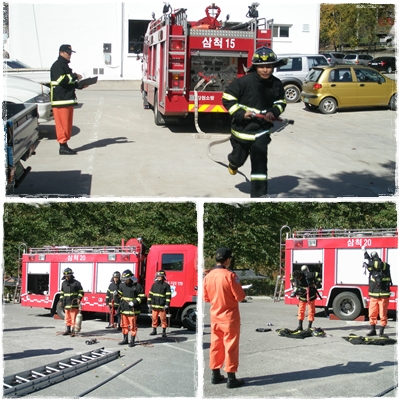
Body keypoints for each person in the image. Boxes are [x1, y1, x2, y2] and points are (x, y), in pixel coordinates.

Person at [221, 47, 288, 198]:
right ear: (255, 67)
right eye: (261, 66)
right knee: (238, 158)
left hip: (261, 132)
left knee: (260, 165)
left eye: (268, 66)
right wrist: (240, 114)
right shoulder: (243, 82)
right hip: (242, 132)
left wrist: (273, 112)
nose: (265, 70)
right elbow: (227, 98)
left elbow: (281, 102)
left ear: (273, 67)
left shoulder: (276, 84)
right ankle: (233, 163)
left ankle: (259, 196)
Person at [203, 247, 246, 389]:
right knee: (230, 346)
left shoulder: (208, 276)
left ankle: (215, 374)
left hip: (215, 316)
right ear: (227, 260)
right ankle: (231, 377)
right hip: (229, 317)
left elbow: (206, 297)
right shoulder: (230, 276)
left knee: (216, 345)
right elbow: (240, 296)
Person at [50, 44, 86, 155]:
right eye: (68, 53)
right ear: (61, 53)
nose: (70, 55)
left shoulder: (64, 65)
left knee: (67, 125)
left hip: (66, 99)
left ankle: (64, 145)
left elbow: (68, 82)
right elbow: (61, 80)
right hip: (60, 100)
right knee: (62, 125)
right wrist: (75, 76)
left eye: (70, 53)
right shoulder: (58, 65)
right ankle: (62, 146)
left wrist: (79, 85)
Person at [362, 247, 392, 337]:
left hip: (383, 294)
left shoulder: (385, 265)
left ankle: (381, 331)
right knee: (372, 313)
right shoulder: (372, 268)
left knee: (383, 314)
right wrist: (366, 256)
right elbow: (371, 267)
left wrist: (368, 259)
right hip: (374, 295)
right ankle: (373, 330)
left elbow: (378, 265)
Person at [117, 269, 146, 347]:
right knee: (124, 325)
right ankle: (125, 339)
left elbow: (142, 297)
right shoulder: (122, 285)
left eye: (126, 279)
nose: (125, 281)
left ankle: (132, 341)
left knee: (133, 326)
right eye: (124, 279)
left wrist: (134, 302)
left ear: (130, 278)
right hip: (124, 309)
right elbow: (120, 294)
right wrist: (116, 294)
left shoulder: (137, 286)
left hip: (133, 310)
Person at [290, 265, 322, 331]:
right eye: (297, 279)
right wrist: (293, 283)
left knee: (311, 311)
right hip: (302, 296)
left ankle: (309, 326)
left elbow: (319, 275)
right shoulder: (295, 276)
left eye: (299, 278)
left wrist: (317, 283)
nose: (298, 280)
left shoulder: (309, 275)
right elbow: (291, 277)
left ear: (301, 275)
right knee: (301, 310)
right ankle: (300, 326)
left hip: (310, 295)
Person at [59, 267, 84, 336]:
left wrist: (78, 298)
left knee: (73, 318)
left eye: (68, 276)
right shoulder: (63, 283)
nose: (67, 277)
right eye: (66, 276)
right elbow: (62, 293)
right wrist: (61, 301)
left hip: (74, 304)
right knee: (67, 318)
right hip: (66, 303)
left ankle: (73, 331)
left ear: (71, 275)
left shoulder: (76, 283)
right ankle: (68, 330)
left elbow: (81, 292)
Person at [148, 270, 171, 337]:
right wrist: (148, 302)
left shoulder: (166, 285)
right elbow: (150, 294)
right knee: (154, 318)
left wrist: (167, 304)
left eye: (160, 276)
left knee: (163, 319)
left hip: (162, 306)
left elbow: (168, 296)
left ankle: (164, 331)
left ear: (163, 277)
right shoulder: (154, 285)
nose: (158, 277)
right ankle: (154, 330)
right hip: (154, 305)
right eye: (157, 276)